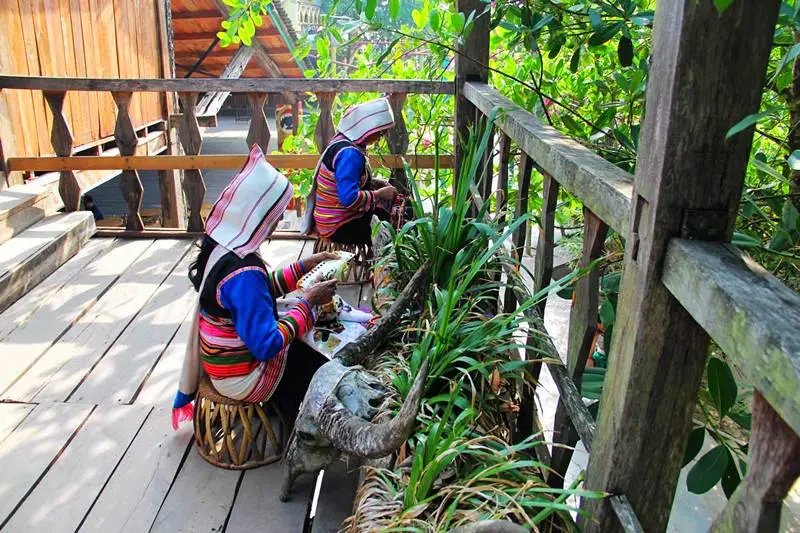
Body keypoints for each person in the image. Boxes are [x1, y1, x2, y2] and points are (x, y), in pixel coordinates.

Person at [172, 144, 338, 429]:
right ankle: (296, 422)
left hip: (221, 360)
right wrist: (308, 302)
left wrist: (304, 265)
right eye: (273, 218)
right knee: (319, 362)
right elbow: (265, 344)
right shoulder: (244, 273)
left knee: (300, 331)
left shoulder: (223, 246)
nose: (274, 226)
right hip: (241, 375)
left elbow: (262, 291)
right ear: (258, 216)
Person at [301, 97, 398, 245]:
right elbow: (349, 199)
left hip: (327, 219)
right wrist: (379, 195)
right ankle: (386, 264)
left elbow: (345, 180)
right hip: (339, 225)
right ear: (367, 129)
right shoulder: (350, 154)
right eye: (380, 133)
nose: (379, 138)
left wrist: (374, 182)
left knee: (388, 212)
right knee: (394, 220)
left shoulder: (341, 142)